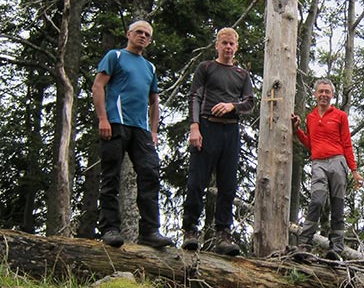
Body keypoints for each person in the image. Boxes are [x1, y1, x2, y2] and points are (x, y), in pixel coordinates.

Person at [91, 20, 173, 248]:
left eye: (147, 35)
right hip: (116, 123)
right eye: (139, 32)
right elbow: (98, 86)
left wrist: (154, 131)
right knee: (111, 175)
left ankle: (149, 231)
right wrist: (103, 118)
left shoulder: (150, 68)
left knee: (150, 173)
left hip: (141, 130)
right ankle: (109, 228)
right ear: (129, 34)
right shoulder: (115, 56)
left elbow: (154, 101)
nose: (143, 37)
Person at [181, 27, 254, 255]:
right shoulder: (206, 68)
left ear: (237, 47)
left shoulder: (242, 75)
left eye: (232, 44)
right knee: (196, 182)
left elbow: (250, 102)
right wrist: (194, 127)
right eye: (224, 43)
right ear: (217, 45)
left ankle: (223, 233)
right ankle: (191, 230)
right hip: (206, 126)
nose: (228, 47)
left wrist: (232, 105)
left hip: (230, 132)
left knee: (228, 186)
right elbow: (194, 96)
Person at [291, 78, 364, 259]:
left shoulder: (340, 116)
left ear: (332, 95)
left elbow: (347, 144)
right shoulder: (311, 117)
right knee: (317, 200)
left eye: (327, 92)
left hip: (338, 162)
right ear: (315, 94)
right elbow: (311, 143)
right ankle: (304, 244)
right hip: (318, 163)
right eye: (321, 91)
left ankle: (336, 248)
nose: (324, 95)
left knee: (337, 204)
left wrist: (354, 171)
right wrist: (297, 130)